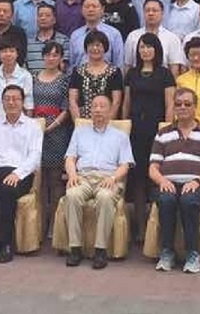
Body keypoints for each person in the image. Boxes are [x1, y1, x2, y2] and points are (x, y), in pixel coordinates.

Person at [149, 87, 200, 274]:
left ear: (195, 107)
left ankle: (192, 254)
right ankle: (167, 252)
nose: (182, 107)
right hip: (168, 183)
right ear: (173, 107)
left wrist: (197, 181)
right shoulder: (163, 134)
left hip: (198, 184)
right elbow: (153, 168)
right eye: (178, 104)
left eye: (187, 104)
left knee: (189, 201)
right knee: (166, 200)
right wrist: (162, 181)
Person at [63, 94, 135, 269]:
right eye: (94, 106)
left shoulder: (120, 136)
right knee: (72, 195)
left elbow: (125, 164)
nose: (98, 110)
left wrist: (113, 178)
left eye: (102, 106)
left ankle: (100, 250)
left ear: (110, 111)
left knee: (104, 197)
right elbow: (70, 158)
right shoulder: (79, 132)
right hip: (83, 177)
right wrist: (72, 175)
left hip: (108, 178)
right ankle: (75, 248)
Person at [0, 85, 44, 264]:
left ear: (23, 102)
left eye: (16, 99)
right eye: (7, 99)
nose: (11, 102)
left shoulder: (33, 127)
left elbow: (35, 156)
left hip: (22, 173)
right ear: (2, 102)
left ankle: (6, 244)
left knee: (7, 191)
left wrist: (18, 174)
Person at [121, 32, 176, 241]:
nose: (145, 51)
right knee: (138, 178)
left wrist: (166, 128)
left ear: (157, 50)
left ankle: (157, 227)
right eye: (142, 47)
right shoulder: (132, 73)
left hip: (157, 130)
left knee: (156, 175)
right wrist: (124, 125)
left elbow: (170, 104)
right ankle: (141, 228)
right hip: (136, 130)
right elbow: (126, 102)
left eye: (149, 47)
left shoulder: (165, 74)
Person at [33, 42, 71, 238]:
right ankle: (39, 222)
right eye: (48, 55)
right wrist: (36, 126)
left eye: (55, 55)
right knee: (39, 180)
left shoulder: (64, 80)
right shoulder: (34, 77)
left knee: (55, 179)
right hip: (36, 131)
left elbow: (66, 108)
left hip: (57, 131)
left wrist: (52, 126)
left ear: (61, 58)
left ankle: (55, 224)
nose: (51, 58)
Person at [122, 0, 186, 77]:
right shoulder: (133, 36)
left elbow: (174, 67)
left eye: (155, 10)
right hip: (137, 81)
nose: (151, 13)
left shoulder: (172, 38)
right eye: (147, 10)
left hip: (163, 81)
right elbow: (128, 65)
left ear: (162, 13)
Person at [68, 31, 123, 120]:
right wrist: (79, 123)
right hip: (82, 122)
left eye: (98, 45)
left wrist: (107, 124)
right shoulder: (77, 72)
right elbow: (72, 101)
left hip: (107, 122)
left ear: (105, 48)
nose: (95, 48)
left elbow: (116, 102)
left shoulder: (114, 72)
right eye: (91, 45)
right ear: (86, 48)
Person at [0, 39, 34, 123]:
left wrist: (27, 125)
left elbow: (29, 105)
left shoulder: (26, 76)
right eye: (4, 51)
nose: (8, 54)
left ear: (17, 54)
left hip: (18, 124)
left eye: (12, 51)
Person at [68, 0, 124, 68]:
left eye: (94, 6)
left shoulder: (114, 34)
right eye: (87, 7)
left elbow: (119, 64)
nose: (90, 10)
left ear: (102, 9)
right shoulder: (75, 35)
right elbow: (72, 65)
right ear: (81, 10)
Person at [25, 4, 69, 75]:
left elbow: (64, 66)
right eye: (40, 15)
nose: (43, 18)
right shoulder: (28, 42)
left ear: (54, 20)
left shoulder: (64, 40)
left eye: (47, 15)